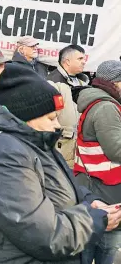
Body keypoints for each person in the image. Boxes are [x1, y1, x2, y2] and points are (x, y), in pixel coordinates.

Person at [0, 62, 121, 264]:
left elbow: (58, 182)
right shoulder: (1, 154)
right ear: (25, 117)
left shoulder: (32, 142)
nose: (58, 125)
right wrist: (96, 220)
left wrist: (89, 200)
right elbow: (43, 235)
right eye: (51, 118)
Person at [74, 60, 121, 264]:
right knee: (106, 241)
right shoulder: (106, 108)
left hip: (94, 183)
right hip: (105, 187)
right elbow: (116, 150)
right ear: (116, 83)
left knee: (91, 239)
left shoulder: (98, 103)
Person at [47, 45, 89, 168]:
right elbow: (48, 115)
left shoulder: (83, 82)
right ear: (67, 61)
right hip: (61, 142)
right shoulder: (52, 83)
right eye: (80, 59)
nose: (84, 62)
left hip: (78, 141)